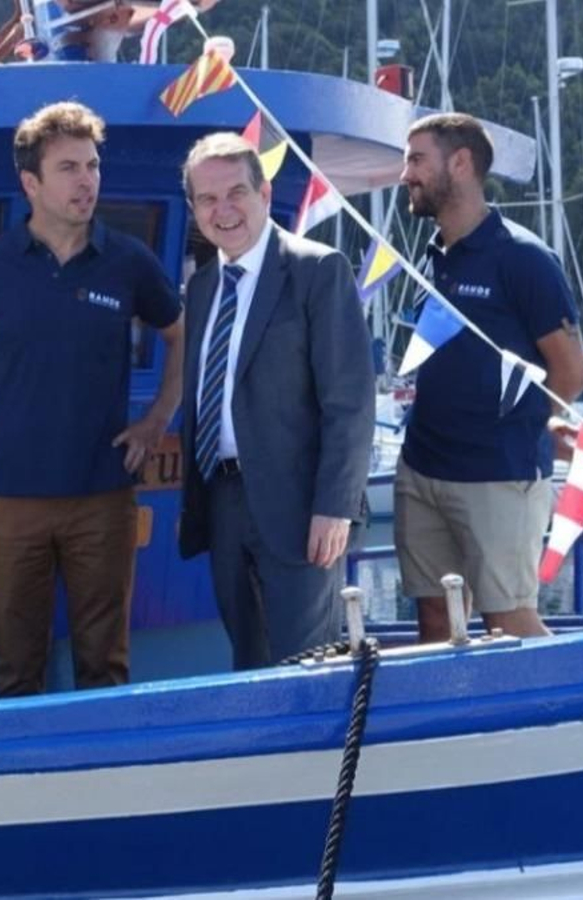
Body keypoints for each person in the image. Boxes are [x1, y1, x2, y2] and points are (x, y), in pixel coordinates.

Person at [0, 101, 185, 697]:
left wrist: (156, 420)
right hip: (9, 501)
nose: (87, 181)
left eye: (93, 165)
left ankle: (106, 788)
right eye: (69, 167)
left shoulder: (127, 261)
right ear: (31, 183)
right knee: (17, 669)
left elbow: (181, 336)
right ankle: (25, 787)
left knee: (106, 667)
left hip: (103, 497)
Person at [176, 132, 376, 669]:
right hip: (222, 501)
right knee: (247, 661)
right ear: (193, 208)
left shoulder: (316, 269)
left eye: (236, 192)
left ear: (264, 193)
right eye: (207, 199)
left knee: (307, 664)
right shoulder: (202, 288)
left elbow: (350, 401)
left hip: (300, 507)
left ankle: (322, 758)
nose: (224, 210)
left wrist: (334, 506)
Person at [395, 112, 583, 642]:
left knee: (508, 622)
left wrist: (528, 423)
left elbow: (571, 371)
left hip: (498, 475)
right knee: (435, 619)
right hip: (422, 468)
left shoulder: (523, 258)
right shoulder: (435, 256)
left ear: (460, 164)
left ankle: (564, 720)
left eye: (416, 160)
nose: (405, 173)